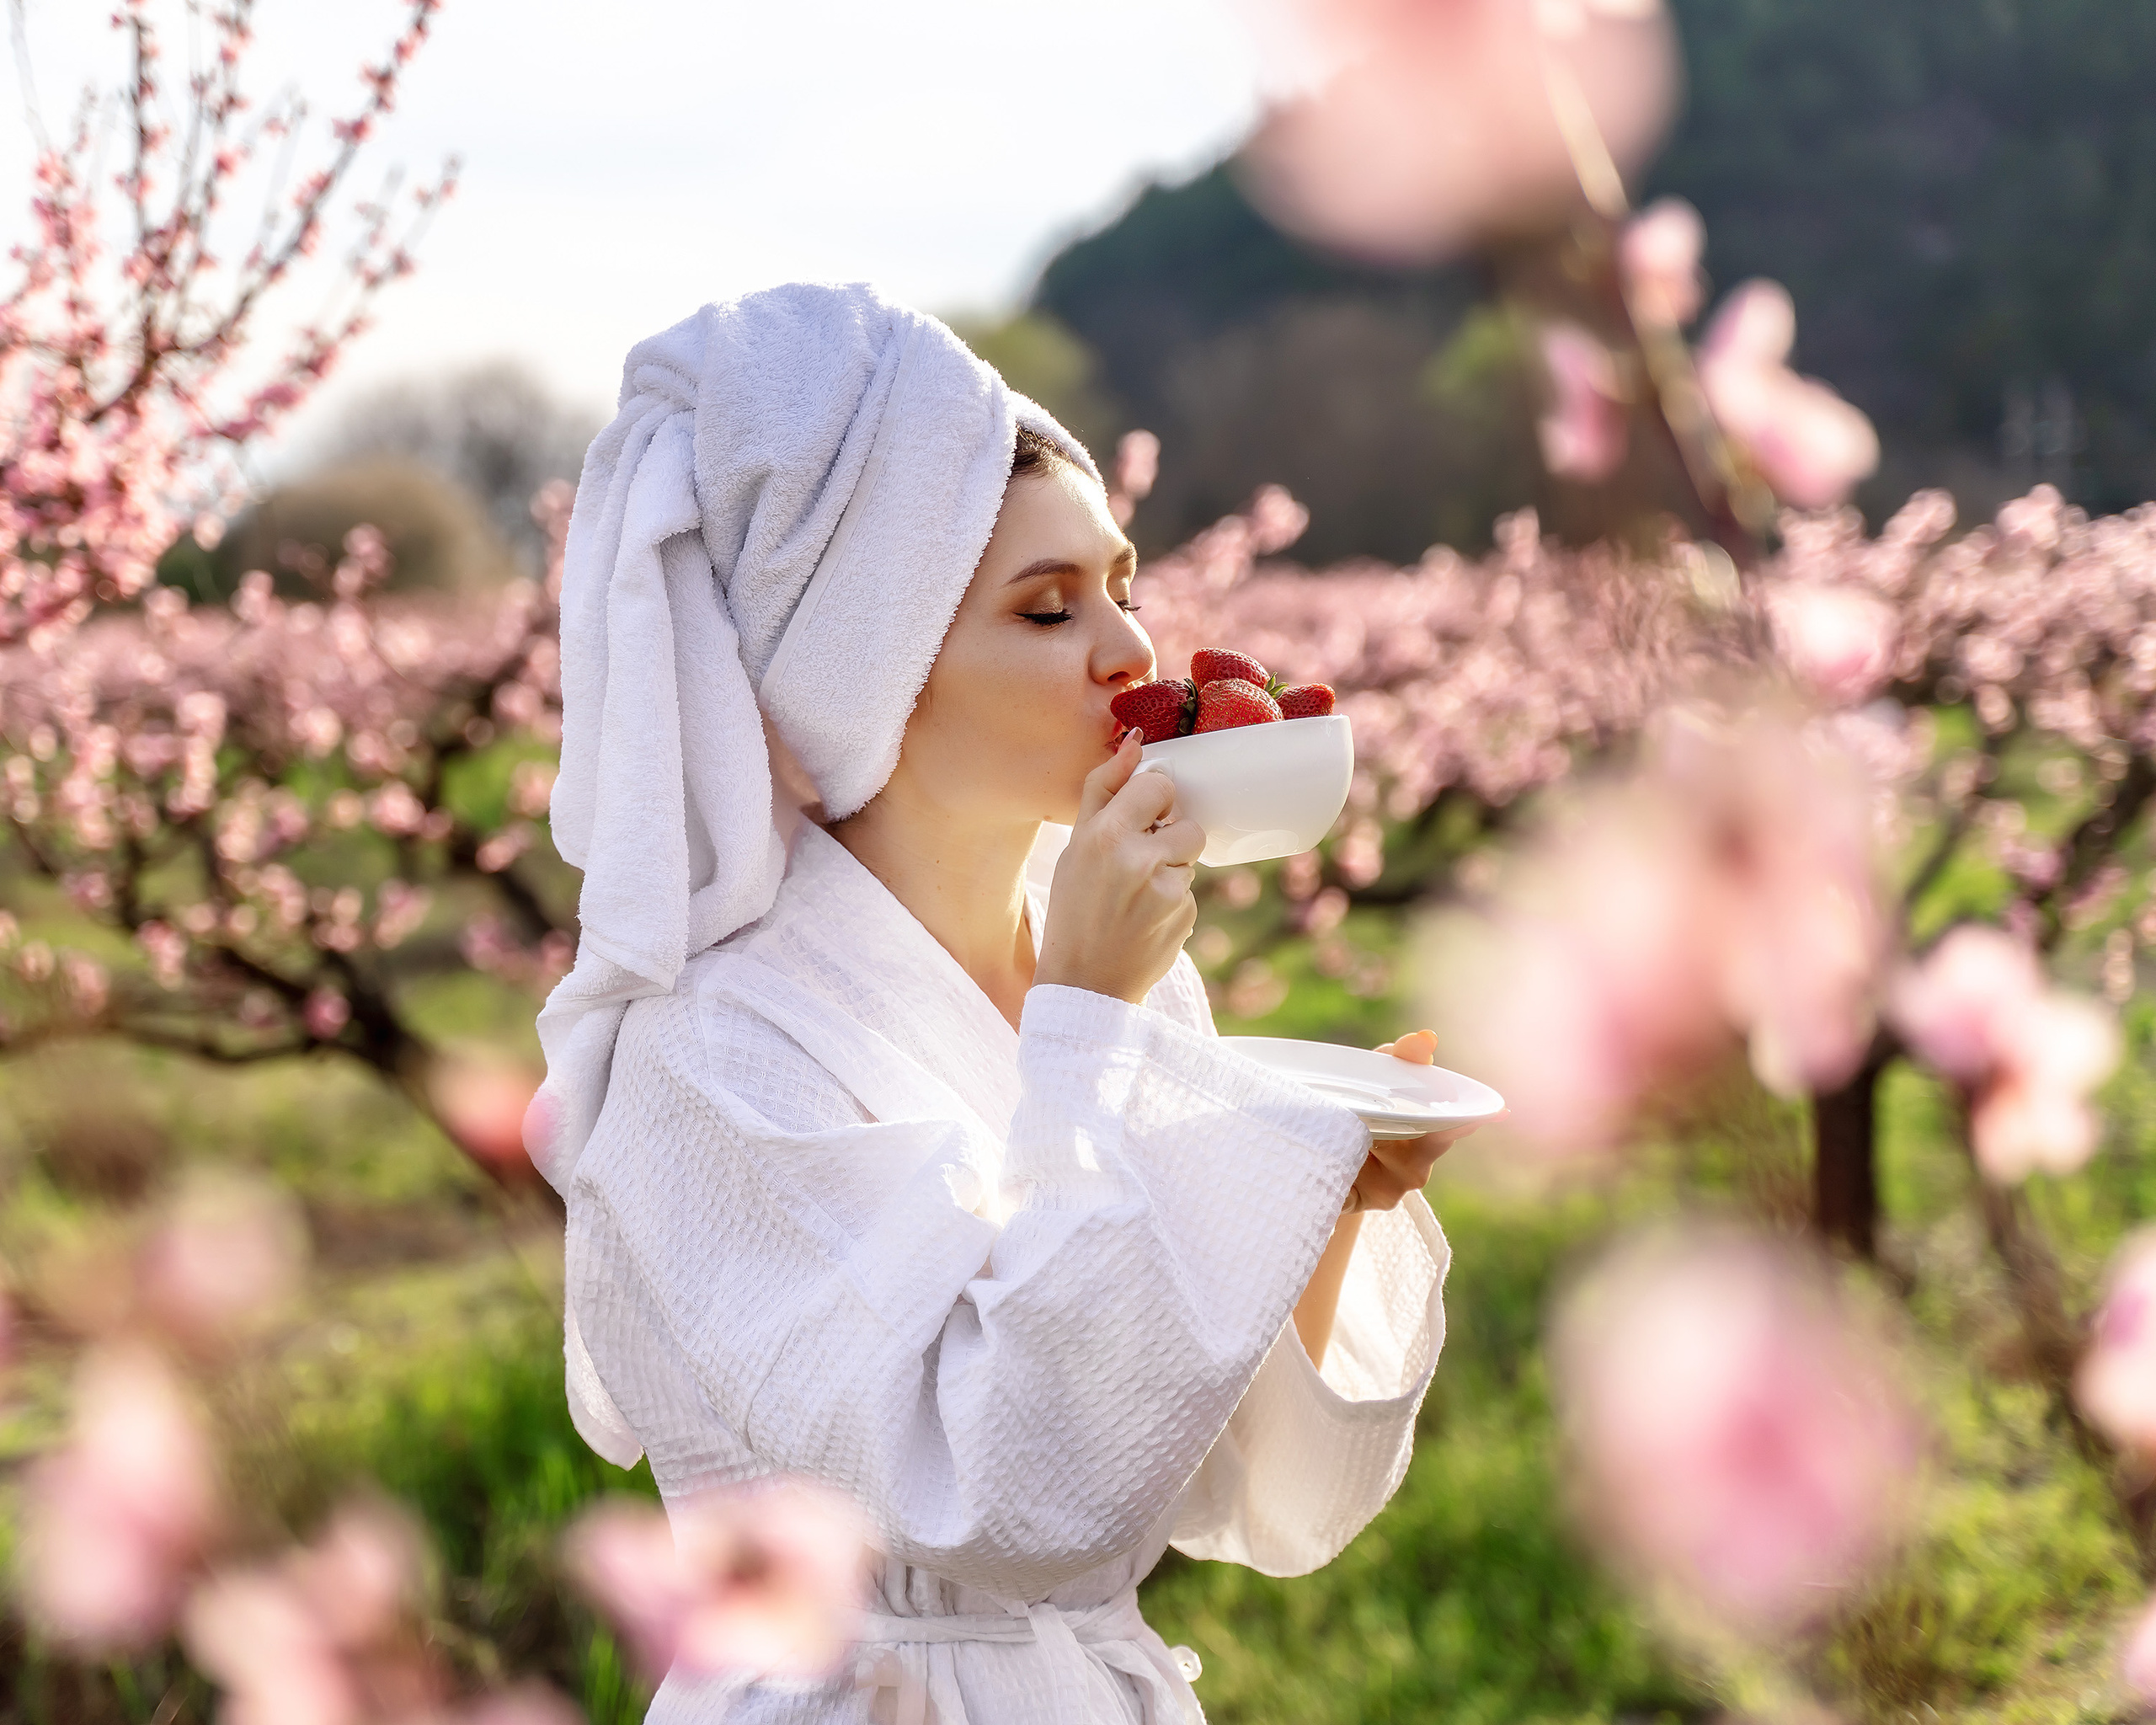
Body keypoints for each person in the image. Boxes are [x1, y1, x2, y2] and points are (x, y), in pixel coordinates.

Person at [529, 281, 1471, 1724]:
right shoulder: (708, 1056)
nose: (1131, 653)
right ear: (864, 671)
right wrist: (1088, 1024)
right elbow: (1001, 1494)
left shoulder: (1110, 959)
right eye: (1046, 607)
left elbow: (1211, 1487)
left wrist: (1320, 1201)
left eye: (1122, 583)